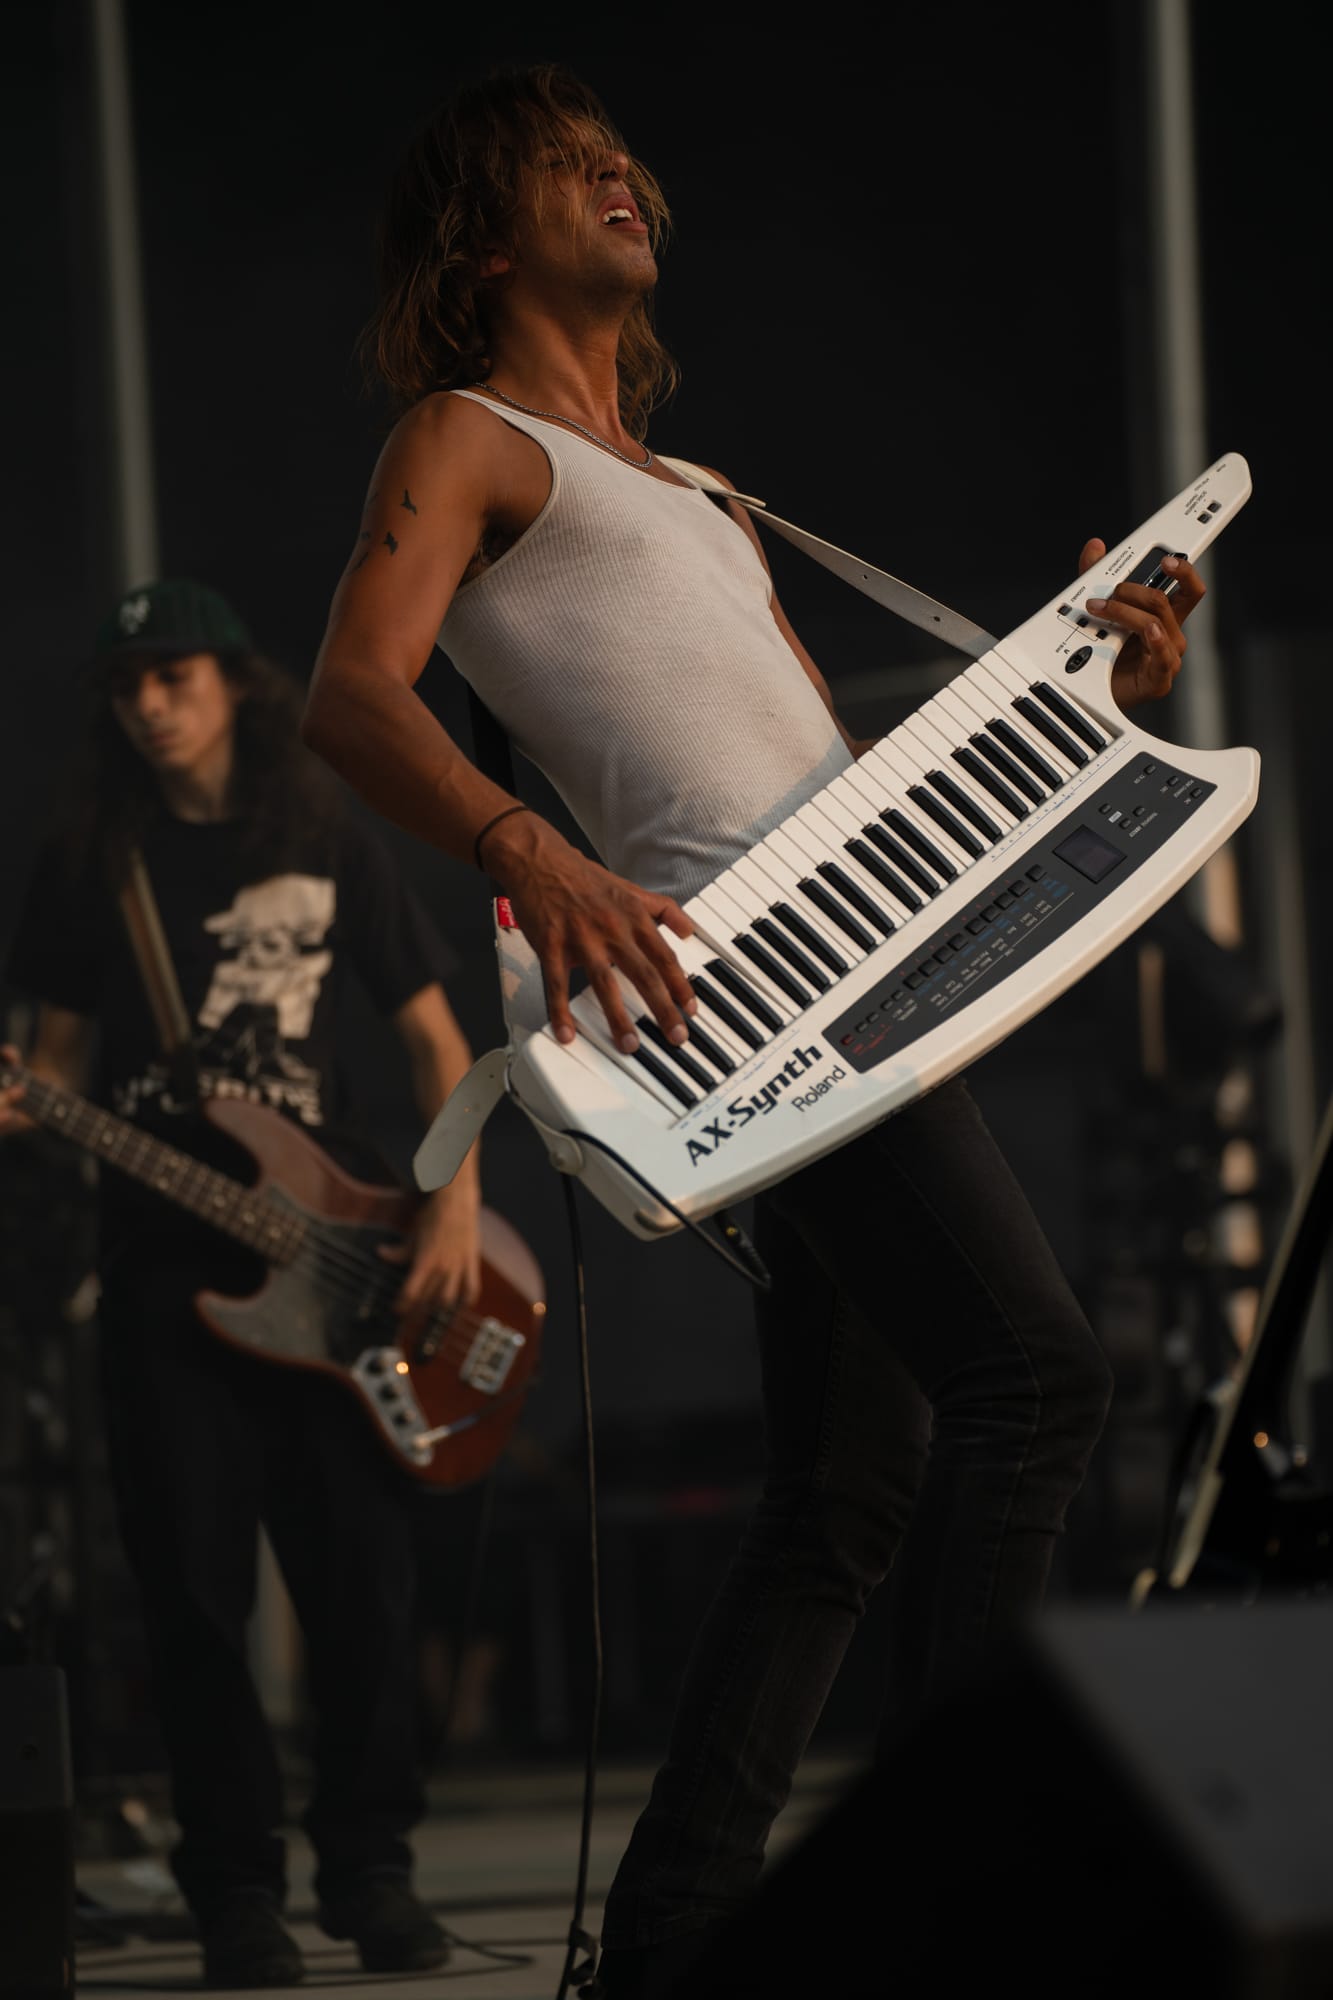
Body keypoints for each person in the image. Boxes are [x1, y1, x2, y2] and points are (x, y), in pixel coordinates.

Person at [298, 64, 1205, 1997]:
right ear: (483, 241)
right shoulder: (462, 439)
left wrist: (1097, 694)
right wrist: (529, 851)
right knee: (1036, 1381)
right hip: (754, 1004)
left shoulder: (707, 497)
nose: (618, 176)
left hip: (866, 979)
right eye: (566, 167)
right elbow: (352, 696)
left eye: (618, 156)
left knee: (840, 1496)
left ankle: (673, 1938)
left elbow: (837, 781)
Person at [1, 578, 484, 1988]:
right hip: (163, 1278)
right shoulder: (94, 862)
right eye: (126, 687)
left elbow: (438, 1047)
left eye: (173, 677)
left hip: (343, 1266)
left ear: (232, 684)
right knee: (195, 1603)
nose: (149, 706)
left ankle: (373, 1874)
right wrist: (27, 1106)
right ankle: (235, 1898)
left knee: (363, 1593)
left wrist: (452, 1209)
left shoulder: (324, 831)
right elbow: (57, 1071)